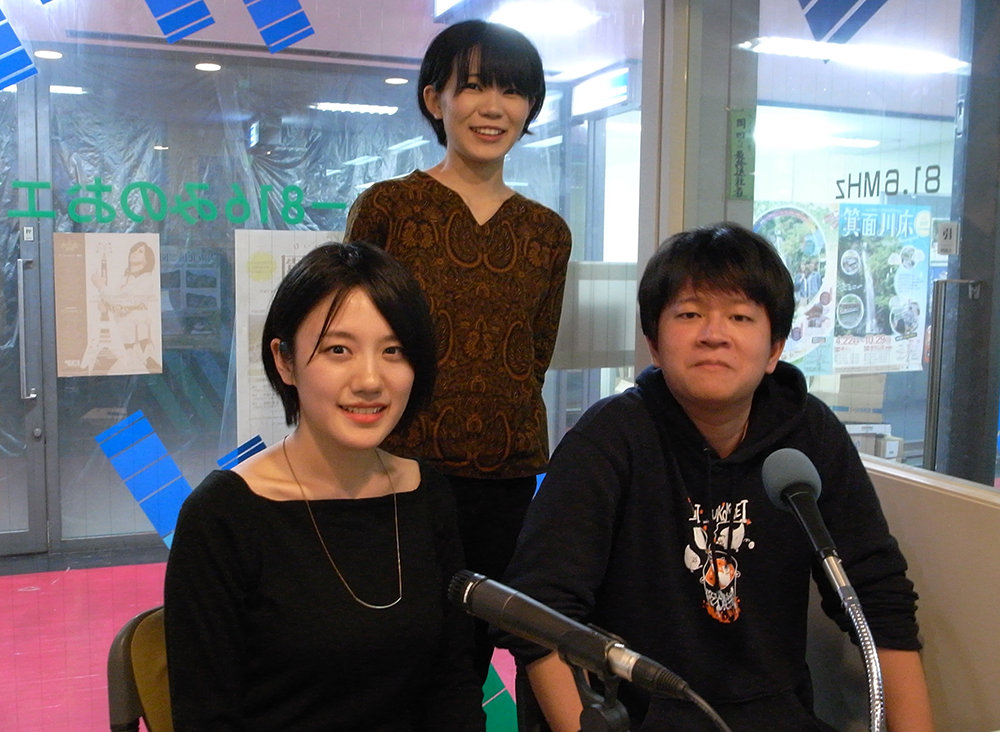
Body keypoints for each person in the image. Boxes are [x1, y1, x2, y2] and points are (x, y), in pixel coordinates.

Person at [495, 223, 934, 732]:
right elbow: (538, 616)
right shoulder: (610, 439)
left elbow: (875, 598)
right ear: (654, 344)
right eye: (689, 314)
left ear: (774, 349)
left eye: (740, 316)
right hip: (636, 717)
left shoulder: (809, 435)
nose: (714, 334)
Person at [164, 242, 485, 732]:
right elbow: (205, 718)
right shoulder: (224, 515)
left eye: (393, 351)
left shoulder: (427, 495)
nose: (370, 380)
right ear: (285, 361)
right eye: (339, 350)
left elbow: (454, 683)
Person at [345, 19, 572, 679]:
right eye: (472, 86)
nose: (493, 107)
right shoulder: (388, 208)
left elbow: (535, 355)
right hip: (398, 469)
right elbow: (350, 341)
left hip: (507, 479)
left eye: (513, 91)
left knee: (484, 652)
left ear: (530, 109)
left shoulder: (546, 232)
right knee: (394, 649)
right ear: (433, 98)